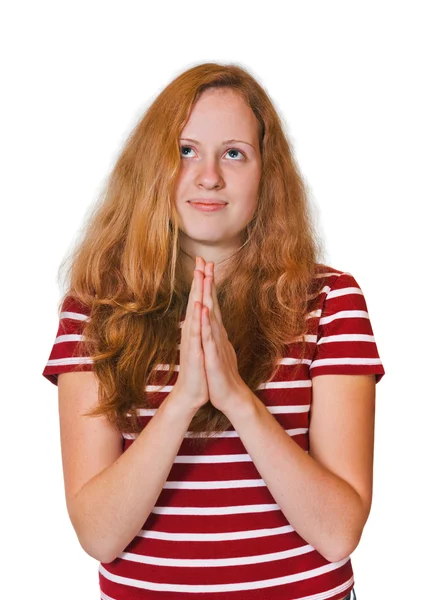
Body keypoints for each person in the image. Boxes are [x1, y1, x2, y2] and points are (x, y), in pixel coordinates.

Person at [42, 62, 383, 600]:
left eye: (233, 153)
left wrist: (238, 399)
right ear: (152, 165)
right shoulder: (94, 310)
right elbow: (99, 535)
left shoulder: (331, 300)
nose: (208, 176)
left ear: (266, 173)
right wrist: (184, 401)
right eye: (185, 150)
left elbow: (339, 532)